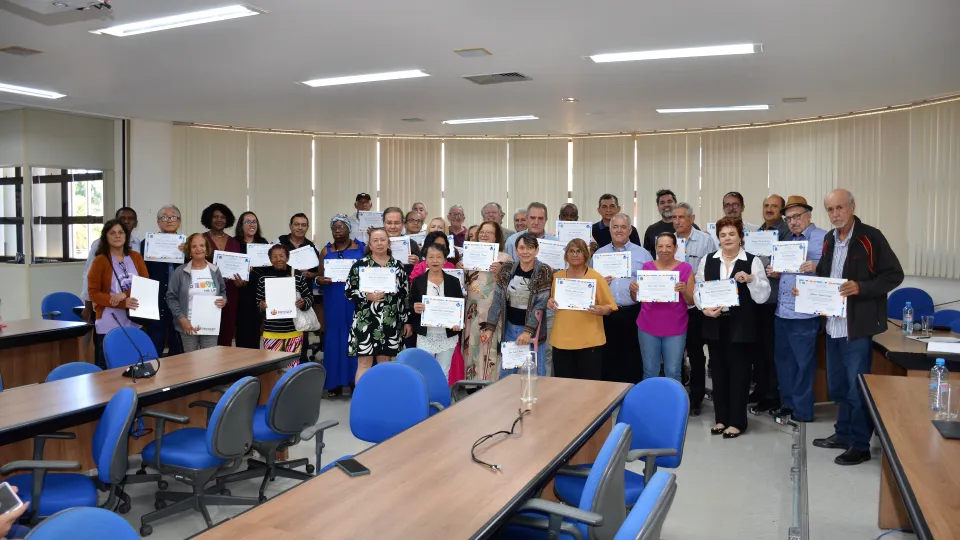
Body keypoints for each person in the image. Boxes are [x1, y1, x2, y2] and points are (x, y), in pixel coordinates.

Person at [810, 189, 903, 466]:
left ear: (852, 207)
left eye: (840, 208)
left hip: (857, 327)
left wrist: (861, 287)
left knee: (856, 388)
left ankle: (860, 445)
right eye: (830, 209)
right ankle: (843, 433)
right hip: (833, 324)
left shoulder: (870, 237)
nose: (835, 214)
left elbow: (893, 275)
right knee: (838, 386)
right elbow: (827, 276)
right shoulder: (829, 239)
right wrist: (809, 289)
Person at [695, 217, 770, 439]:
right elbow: (700, 290)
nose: (727, 238)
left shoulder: (752, 261)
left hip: (741, 325)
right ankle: (721, 419)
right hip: (715, 323)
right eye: (723, 235)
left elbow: (763, 295)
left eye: (732, 234)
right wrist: (704, 309)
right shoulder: (707, 260)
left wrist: (751, 279)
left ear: (740, 237)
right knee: (717, 373)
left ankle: (737, 422)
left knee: (739, 374)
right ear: (718, 238)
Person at [765, 196, 827, 423]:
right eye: (788, 218)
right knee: (784, 361)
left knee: (803, 364)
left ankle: (802, 411)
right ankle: (787, 403)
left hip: (805, 313)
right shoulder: (787, 240)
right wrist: (775, 270)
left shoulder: (823, 238)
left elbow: (837, 269)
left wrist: (817, 266)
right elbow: (783, 269)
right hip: (782, 311)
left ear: (809, 215)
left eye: (797, 216)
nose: (792, 222)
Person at [481, 233, 552, 377]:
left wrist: (528, 331)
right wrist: (490, 328)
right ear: (516, 250)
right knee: (507, 375)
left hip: (533, 331)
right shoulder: (507, 269)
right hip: (510, 329)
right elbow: (497, 301)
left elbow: (540, 304)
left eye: (530, 248)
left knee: (535, 376)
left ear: (537, 250)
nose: (525, 251)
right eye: (522, 248)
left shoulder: (543, 270)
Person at [592, 213, 651, 383]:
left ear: (630, 230)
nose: (619, 231)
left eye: (623, 227)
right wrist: (599, 283)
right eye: (615, 227)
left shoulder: (643, 254)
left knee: (632, 357)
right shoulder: (599, 255)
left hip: (632, 312)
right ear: (610, 230)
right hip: (606, 314)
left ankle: (631, 394)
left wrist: (640, 290)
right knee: (607, 358)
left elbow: (650, 283)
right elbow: (589, 284)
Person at [345, 228, 411, 382]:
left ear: (388, 243)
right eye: (375, 240)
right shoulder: (360, 265)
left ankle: (383, 398)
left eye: (383, 240)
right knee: (364, 363)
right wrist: (367, 296)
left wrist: (406, 320)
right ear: (370, 244)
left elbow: (405, 295)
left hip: (390, 320)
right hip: (365, 320)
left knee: (385, 363)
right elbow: (348, 291)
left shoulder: (398, 266)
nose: (379, 243)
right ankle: (361, 400)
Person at [546, 238, 617, 379]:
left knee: (588, 388)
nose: (575, 254)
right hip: (562, 340)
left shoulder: (597, 278)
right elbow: (553, 300)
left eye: (579, 251)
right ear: (566, 255)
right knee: (563, 386)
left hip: (589, 342)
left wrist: (602, 310)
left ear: (586, 254)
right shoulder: (557, 277)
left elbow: (610, 307)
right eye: (571, 251)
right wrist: (550, 302)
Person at [631, 232, 694, 382]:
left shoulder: (686, 269)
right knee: (649, 371)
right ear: (655, 248)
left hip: (675, 328)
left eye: (668, 246)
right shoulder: (647, 267)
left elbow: (691, 301)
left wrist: (684, 291)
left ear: (675, 248)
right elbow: (637, 298)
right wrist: (633, 291)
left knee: (673, 371)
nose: (664, 250)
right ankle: (649, 404)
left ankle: (674, 405)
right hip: (648, 326)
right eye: (660, 246)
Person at [672, 202, 716, 416]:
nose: (678, 221)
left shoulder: (706, 240)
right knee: (675, 353)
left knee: (697, 354)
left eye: (681, 217)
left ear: (691, 218)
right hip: (673, 307)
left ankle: (696, 398)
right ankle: (677, 395)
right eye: (675, 218)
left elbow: (713, 271)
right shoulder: (668, 241)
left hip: (696, 307)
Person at [88, 219, 149, 369]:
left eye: (121, 232)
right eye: (112, 233)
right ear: (106, 237)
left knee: (134, 360)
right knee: (108, 364)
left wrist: (124, 294)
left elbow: (145, 283)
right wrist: (122, 302)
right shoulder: (100, 261)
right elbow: (93, 293)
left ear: (126, 236)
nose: (117, 236)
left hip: (135, 317)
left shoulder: (136, 257)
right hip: (109, 319)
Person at [316, 214, 365, 397]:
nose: (338, 230)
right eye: (334, 227)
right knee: (334, 339)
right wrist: (320, 279)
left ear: (348, 228)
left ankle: (354, 380)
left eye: (341, 227)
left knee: (355, 337)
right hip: (333, 298)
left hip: (355, 300)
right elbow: (318, 278)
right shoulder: (325, 251)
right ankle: (334, 383)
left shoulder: (361, 248)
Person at [749, 194, 789, 412]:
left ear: (781, 210)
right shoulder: (757, 233)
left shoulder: (786, 233)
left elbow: (788, 262)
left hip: (774, 300)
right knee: (758, 350)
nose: (769, 209)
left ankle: (772, 396)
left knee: (770, 351)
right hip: (757, 298)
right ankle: (760, 390)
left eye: (774, 206)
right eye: (766, 205)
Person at [463, 221, 515, 380]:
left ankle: (490, 383)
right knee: (472, 346)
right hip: (472, 310)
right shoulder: (469, 254)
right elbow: (463, 283)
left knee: (490, 347)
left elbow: (512, 286)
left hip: (493, 310)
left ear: (496, 237)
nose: (484, 235)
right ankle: (471, 384)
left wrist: (502, 272)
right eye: (482, 232)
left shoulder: (505, 258)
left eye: (489, 232)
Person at [409, 242, 465, 377]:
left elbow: (459, 305)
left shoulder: (453, 281)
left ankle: (441, 398)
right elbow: (410, 303)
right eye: (431, 257)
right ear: (425, 260)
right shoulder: (418, 281)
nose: (435, 260)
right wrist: (414, 308)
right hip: (425, 334)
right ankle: (425, 397)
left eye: (439, 257)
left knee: (443, 371)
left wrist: (459, 322)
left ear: (445, 260)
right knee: (423, 371)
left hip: (447, 334)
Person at [166, 233, 227, 352]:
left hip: (210, 325)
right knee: (191, 364)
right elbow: (170, 297)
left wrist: (224, 300)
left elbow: (223, 291)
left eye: (202, 245)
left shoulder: (215, 270)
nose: (198, 249)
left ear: (207, 248)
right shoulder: (180, 271)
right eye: (194, 246)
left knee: (209, 362)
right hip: (188, 325)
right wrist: (181, 319)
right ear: (189, 250)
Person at [256, 244, 314, 367]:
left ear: (287, 258)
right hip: (271, 331)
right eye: (274, 256)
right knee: (272, 368)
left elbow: (309, 298)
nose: (278, 259)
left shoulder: (297, 275)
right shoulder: (263, 278)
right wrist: (261, 306)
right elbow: (258, 303)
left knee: (292, 368)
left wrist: (303, 303)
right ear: (270, 259)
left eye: (281, 256)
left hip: (294, 331)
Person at [81, 207, 140, 322]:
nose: (127, 221)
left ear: (136, 224)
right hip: (107, 304)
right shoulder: (99, 245)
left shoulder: (137, 243)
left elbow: (142, 278)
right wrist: (88, 307)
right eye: (123, 218)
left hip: (132, 305)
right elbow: (88, 276)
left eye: (131, 219)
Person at [140, 204, 186, 357]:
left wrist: (187, 253)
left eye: (173, 217)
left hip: (179, 302)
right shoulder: (147, 243)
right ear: (158, 222)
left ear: (179, 221)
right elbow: (142, 274)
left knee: (178, 345)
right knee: (155, 343)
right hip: (155, 301)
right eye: (164, 217)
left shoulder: (187, 246)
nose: (169, 220)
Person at [279, 213, 322, 363]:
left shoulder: (311, 247)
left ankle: (301, 366)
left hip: (303, 295)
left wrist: (311, 274)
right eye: (297, 224)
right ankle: (281, 365)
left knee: (301, 331)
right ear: (290, 226)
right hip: (281, 293)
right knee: (282, 331)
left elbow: (319, 271)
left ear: (307, 227)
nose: (300, 227)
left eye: (303, 225)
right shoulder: (280, 243)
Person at [201, 203, 242, 347]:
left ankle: (225, 366)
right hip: (206, 291)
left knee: (227, 331)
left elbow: (240, 268)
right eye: (216, 217)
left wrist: (242, 281)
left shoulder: (235, 243)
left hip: (231, 291)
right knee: (207, 331)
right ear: (209, 219)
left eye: (223, 217)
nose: (219, 220)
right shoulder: (201, 239)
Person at [233, 211, 268, 349]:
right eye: (248, 222)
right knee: (243, 332)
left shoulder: (263, 243)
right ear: (241, 225)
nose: (252, 224)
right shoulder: (234, 243)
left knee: (256, 332)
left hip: (260, 292)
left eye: (254, 221)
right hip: (241, 293)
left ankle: (256, 368)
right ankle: (243, 368)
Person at [643, 189, 677, 256]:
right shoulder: (651, 230)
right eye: (662, 203)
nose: (666, 205)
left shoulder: (688, 227)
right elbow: (647, 256)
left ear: (675, 204)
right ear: (658, 207)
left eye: (669, 201)